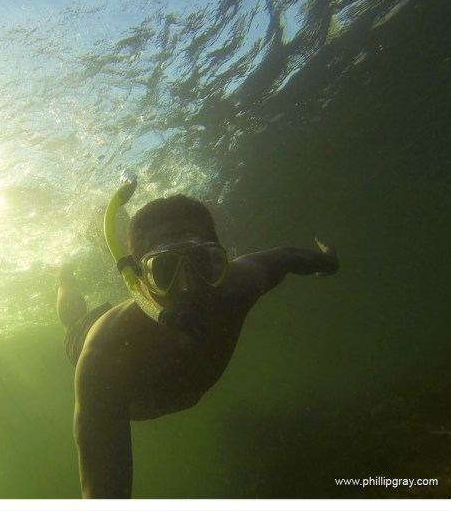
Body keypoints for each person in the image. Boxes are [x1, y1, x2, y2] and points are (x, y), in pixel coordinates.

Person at [56, 194, 339, 498]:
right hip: (94, 330)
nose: (188, 286)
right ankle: (63, 279)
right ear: (138, 280)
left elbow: (283, 257)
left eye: (205, 263)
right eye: (165, 270)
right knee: (73, 320)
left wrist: (327, 261)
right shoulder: (105, 356)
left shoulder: (240, 283)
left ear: (223, 263)